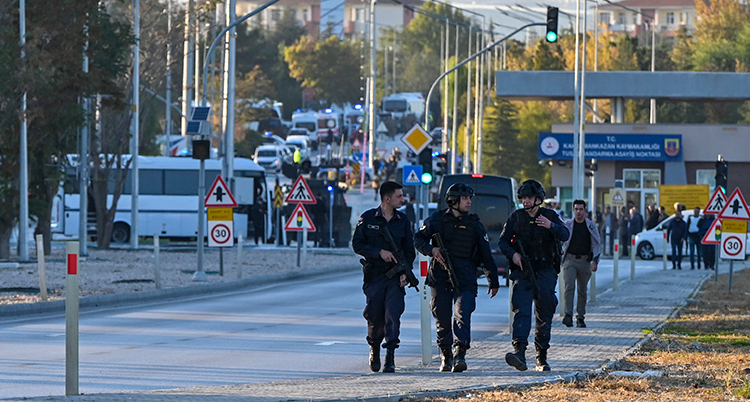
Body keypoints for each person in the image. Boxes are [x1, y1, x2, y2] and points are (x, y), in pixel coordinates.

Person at [414, 183, 499, 372]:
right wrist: (432, 250)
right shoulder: (436, 220)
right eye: (465, 198)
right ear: (454, 201)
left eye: (470, 198)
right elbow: (418, 239)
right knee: (442, 318)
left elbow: (485, 254)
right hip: (440, 276)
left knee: (463, 314)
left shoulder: (474, 223)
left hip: (465, 277)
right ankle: (446, 355)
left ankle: (460, 353)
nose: (469, 202)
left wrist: (493, 279)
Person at [498, 180, 569, 372]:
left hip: (545, 271)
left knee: (544, 312)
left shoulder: (549, 215)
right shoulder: (516, 218)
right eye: (523, 198)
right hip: (523, 271)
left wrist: (550, 226)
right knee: (521, 309)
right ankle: (519, 352)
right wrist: (513, 254)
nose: (526, 201)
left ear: (538, 199)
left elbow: (565, 234)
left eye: (529, 198)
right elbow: (503, 242)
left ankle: (541, 356)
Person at [352, 181, 416, 373]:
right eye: (399, 196)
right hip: (375, 276)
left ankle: (390, 356)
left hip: (395, 277)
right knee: (375, 316)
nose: (402, 199)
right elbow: (357, 244)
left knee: (393, 315)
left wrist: (406, 272)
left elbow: (409, 251)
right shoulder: (368, 218)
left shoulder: (403, 221)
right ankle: (374, 348)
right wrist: (378, 251)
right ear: (387, 198)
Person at [561, 200, 601, 329]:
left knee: (582, 290)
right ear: (573, 210)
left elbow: (596, 243)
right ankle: (568, 314)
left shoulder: (590, 226)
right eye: (576, 209)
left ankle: (580, 317)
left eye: (581, 209)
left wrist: (595, 260)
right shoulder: (568, 225)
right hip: (570, 259)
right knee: (569, 286)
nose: (578, 212)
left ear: (585, 211)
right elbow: (561, 240)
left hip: (585, 261)